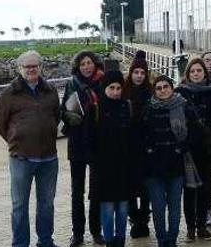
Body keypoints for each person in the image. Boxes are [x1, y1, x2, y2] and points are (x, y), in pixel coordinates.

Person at [0, 50, 61, 247]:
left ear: (41, 67)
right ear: (20, 69)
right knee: (19, 206)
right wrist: (16, 141)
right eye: (27, 66)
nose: (31, 69)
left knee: (46, 205)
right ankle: (20, 244)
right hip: (21, 159)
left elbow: (55, 116)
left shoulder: (51, 91)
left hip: (49, 159)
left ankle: (45, 241)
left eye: (34, 65)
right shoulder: (9, 94)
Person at [142, 77, 201, 247]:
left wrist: (182, 147)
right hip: (154, 168)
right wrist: (148, 150)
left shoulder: (183, 106)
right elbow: (140, 133)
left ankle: (172, 240)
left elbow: (195, 131)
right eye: (158, 88)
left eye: (165, 87)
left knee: (174, 208)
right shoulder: (148, 109)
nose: (162, 90)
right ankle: (162, 241)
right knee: (158, 208)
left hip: (177, 166)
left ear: (172, 88)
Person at [176, 58, 211, 241]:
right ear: (188, 74)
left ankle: (202, 226)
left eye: (199, 71)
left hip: (207, 149)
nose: (196, 74)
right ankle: (190, 228)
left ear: (205, 72)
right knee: (189, 190)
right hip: (188, 150)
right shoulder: (180, 93)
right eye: (193, 71)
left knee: (205, 188)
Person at [61, 50, 104, 246]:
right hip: (77, 142)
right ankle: (77, 233)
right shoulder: (72, 83)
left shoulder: (103, 82)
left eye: (89, 62)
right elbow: (64, 110)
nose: (86, 66)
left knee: (96, 191)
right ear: (77, 66)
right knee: (76, 192)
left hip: (97, 143)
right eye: (82, 63)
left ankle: (96, 231)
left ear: (95, 64)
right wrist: (70, 116)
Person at [89, 71, 132, 247]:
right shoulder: (96, 109)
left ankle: (120, 240)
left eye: (118, 88)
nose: (115, 92)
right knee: (107, 209)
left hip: (123, 168)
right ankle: (109, 241)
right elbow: (89, 140)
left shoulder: (126, 107)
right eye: (111, 88)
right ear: (104, 88)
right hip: (103, 169)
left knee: (122, 208)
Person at [122, 52, 153, 238]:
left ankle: (144, 219)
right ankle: (134, 219)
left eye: (142, 72)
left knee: (146, 188)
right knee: (131, 187)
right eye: (136, 72)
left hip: (147, 148)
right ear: (131, 73)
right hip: (129, 148)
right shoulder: (124, 93)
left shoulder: (150, 92)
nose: (139, 76)